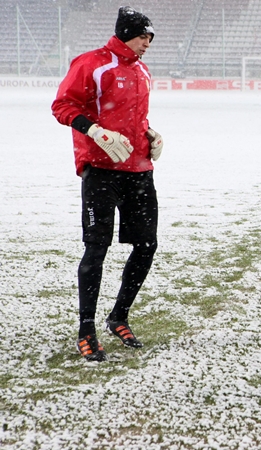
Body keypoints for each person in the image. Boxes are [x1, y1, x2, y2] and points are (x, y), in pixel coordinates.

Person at [52, 6, 162, 362]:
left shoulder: (142, 70)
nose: (148, 43)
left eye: (150, 38)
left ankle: (119, 317)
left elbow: (133, 116)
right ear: (127, 34)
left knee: (146, 245)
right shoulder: (92, 64)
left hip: (139, 170)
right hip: (101, 171)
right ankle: (86, 330)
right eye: (143, 36)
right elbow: (62, 106)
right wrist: (95, 131)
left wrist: (150, 133)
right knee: (96, 249)